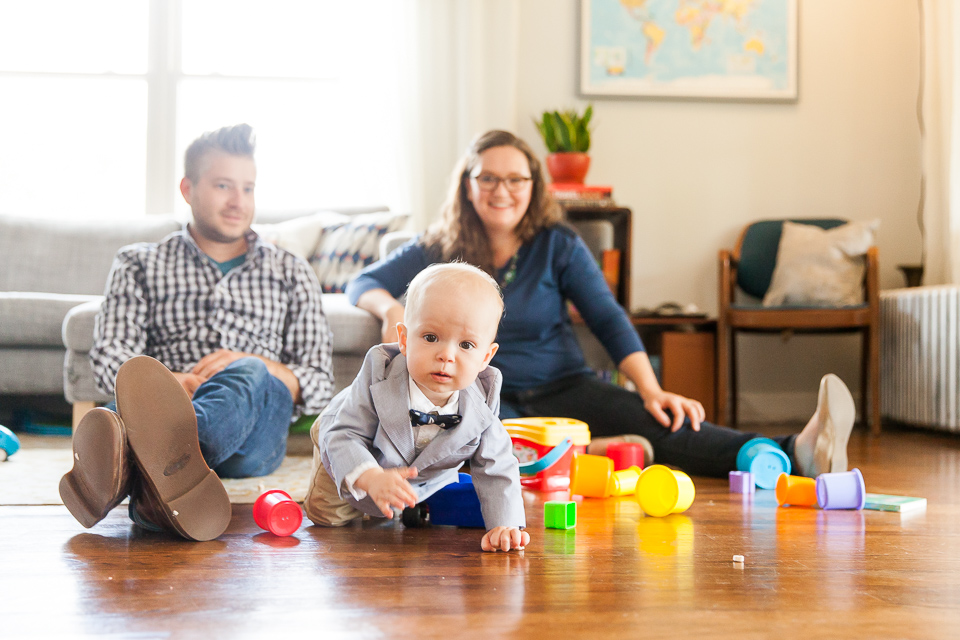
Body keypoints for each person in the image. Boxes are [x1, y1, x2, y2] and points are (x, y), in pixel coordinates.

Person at [345, 129, 855, 483]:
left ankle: (789, 452)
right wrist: (391, 308)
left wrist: (652, 389)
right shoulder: (437, 248)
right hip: (484, 395)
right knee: (482, 443)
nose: (502, 190)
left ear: (533, 186)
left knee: (660, 419)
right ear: (468, 185)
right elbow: (363, 280)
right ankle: (598, 453)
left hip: (568, 384)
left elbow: (608, 318)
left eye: (516, 179)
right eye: (488, 178)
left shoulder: (559, 244)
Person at [60, 123, 335, 541]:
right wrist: (169, 385)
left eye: (248, 188)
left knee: (249, 372)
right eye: (224, 185)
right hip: (171, 401)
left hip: (257, 427)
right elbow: (112, 353)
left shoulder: (290, 270)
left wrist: (252, 364)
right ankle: (160, 484)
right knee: (166, 398)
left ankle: (130, 471)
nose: (238, 201)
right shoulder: (139, 262)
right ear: (188, 189)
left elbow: (318, 378)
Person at [304, 262, 529, 552]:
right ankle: (362, 488)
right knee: (329, 517)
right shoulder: (378, 372)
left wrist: (505, 525)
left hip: (418, 469)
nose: (446, 355)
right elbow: (345, 434)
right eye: (431, 338)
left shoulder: (482, 403)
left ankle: (395, 499)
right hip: (346, 437)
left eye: (466, 345)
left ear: (486, 356)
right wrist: (369, 477)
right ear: (404, 339)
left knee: (394, 507)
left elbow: (497, 465)